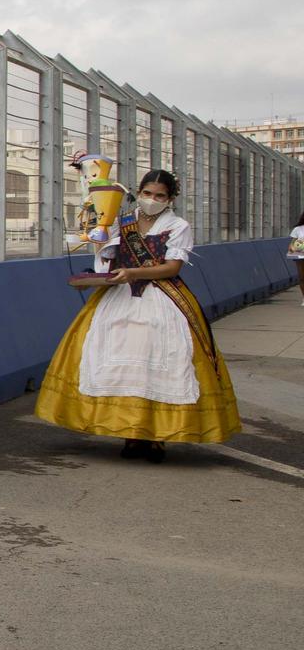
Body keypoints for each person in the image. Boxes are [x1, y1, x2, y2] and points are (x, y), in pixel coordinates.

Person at [36, 170, 240, 461]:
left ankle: (156, 437)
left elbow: (171, 268)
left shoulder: (178, 225)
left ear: (170, 199)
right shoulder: (121, 220)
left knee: (160, 363)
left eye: (160, 196)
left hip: (163, 300)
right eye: (147, 193)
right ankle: (131, 434)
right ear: (139, 192)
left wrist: (133, 272)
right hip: (119, 297)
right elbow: (106, 254)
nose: (152, 200)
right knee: (117, 363)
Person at [290, 211, 304, 304]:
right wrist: (293, 249)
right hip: (301, 256)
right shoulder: (297, 229)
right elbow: (292, 244)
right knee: (302, 277)